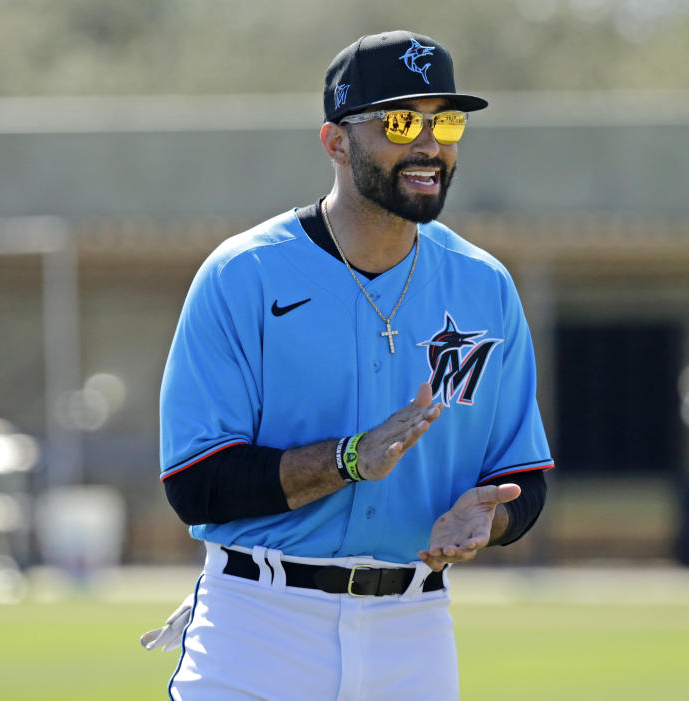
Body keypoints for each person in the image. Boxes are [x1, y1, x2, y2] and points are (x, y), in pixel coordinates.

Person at [144, 30, 554, 700]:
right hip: (261, 624)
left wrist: (491, 519)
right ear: (336, 142)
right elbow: (196, 481)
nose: (430, 145)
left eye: (447, 122)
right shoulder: (243, 273)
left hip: (414, 630)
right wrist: (350, 457)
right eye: (400, 121)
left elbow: (521, 477)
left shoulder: (484, 286)